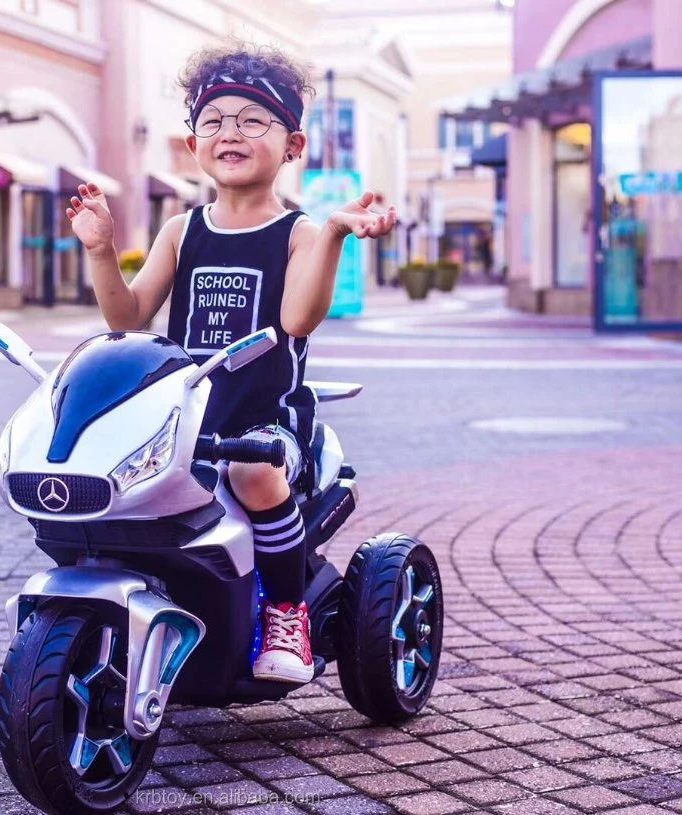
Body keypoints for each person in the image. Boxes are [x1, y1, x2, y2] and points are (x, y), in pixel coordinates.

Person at [65, 44, 396, 684]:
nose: (230, 133)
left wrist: (331, 234)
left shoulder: (297, 232)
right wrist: (102, 250)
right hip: (183, 418)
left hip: (267, 422)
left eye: (252, 120)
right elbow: (127, 320)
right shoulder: (180, 230)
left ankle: (287, 610)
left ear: (292, 144)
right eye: (214, 121)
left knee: (251, 469)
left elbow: (298, 319)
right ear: (194, 144)